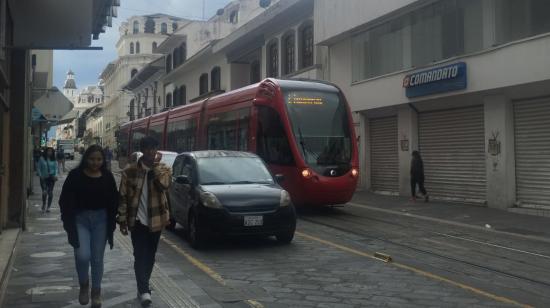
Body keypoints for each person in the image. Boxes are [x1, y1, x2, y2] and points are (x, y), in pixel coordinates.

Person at [59, 145, 119, 308]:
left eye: (99, 159)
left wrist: (116, 220)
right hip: (80, 219)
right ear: (86, 158)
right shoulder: (75, 176)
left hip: (101, 220)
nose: (95, 162)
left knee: (97, 258)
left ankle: (96, 292)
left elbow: (115, 200)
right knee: (83, 255)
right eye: (92, 159)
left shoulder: (107, 177)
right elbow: (65, 201)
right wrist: (68, 221)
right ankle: (84, 285)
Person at [117, 137, 171, 307]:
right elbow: (123, 198)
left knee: (150, 256)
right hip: (137, 221)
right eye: (147, 148)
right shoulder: (129, 171)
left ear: (156, 150)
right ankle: (145, 289)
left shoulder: (163, 168)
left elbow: (164, 186)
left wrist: (153, 169)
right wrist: (122, 221)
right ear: (142, 150)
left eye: (153, 148)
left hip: (156, 220)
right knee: (140, 255)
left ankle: (142, 287)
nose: (150, 152)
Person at [37, 147, 58, 213]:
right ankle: (44, 204)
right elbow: (38, 168)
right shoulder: (41, 159)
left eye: (51, 151)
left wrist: (55, 175)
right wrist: (40, 175)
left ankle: (48, 207)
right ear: (46, 152)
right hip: (44, 178)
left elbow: (56, 169)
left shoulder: (54, 160)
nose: (49, 152)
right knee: (44, 192)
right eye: (48, 151)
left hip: (51, 178)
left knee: (50, 193)